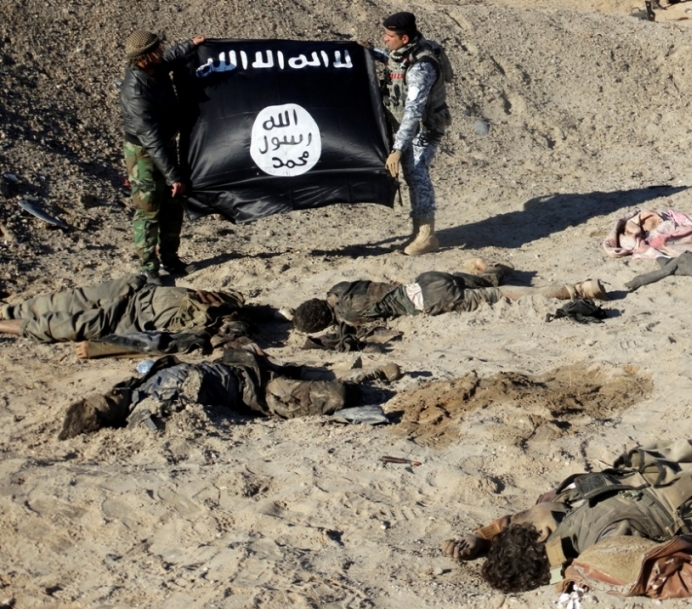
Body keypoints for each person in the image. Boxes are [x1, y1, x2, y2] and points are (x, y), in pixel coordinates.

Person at [441, 426, 692, 599]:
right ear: (542, 536)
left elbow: (515, 522)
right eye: (531, 517)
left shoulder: (566, 519)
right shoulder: (601, 555)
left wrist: (483, 536)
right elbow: (677, 581)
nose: (536, 503)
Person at [57, 346, 401, 440]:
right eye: (104, 406)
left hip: (242, 363)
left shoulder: (135, 389)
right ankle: (366, 381)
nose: (108, 396)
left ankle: (360, 370)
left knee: (296, 369)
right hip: (259, 392)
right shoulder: (147, 412)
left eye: (101, 397)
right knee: (335, 396)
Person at [290, 259, 608, 333]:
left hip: (429, 302)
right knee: (475, 282)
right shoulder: (340, 288)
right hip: (425, 281)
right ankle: (492, 269)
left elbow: (379, 325)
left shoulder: (348, 316)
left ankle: (577, 290)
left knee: (498, 296)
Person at [364, 12, 452, 256]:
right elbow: (392, 60)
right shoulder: (404, 53)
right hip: (406, 125)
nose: (385, 39)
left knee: (417, 171)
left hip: (425, 127)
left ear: (404, 39)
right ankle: (419, 231)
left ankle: (426, 236)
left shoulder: (421, 69)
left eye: (389, 36)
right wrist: (367, 52)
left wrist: (397, 149)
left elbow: (413, 112)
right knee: (412, 172)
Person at [121, 30, 205, 283]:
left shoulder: (155, 68)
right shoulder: (135, 92)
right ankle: (149, 267)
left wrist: (191, 44)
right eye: (156, 50)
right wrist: (173, 176)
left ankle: (171, 258)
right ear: (143, 58)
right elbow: (151, 139)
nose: (161, 52)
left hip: (164, 145)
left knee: (172, 204)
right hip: (143, 153)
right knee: (148, 209)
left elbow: (169, 56)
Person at [0, 274, 248, 357]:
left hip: (127, 311)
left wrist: (98, 348)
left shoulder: (203, 326)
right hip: (132, 295)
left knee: (62, 321)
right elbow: (155, 342)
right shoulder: (211, 311)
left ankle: (3, 323)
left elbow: (157, 342)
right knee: (60, 306)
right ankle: (5, 314)